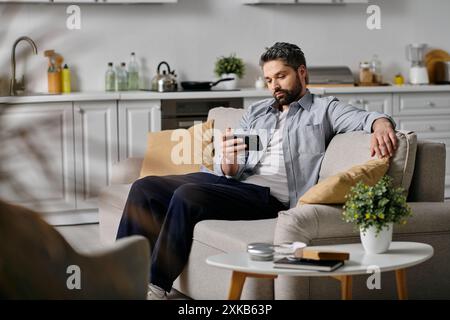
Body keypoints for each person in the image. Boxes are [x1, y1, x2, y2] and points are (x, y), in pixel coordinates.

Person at [116, 42, 397, 300]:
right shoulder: (258, 112)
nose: (275, 85)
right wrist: (228, 158)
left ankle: (156, 286)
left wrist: (382, 124)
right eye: (269, 79)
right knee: (145, 186)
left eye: (281, 76)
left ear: (302, 72)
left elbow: (365, 117)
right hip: (234, 183)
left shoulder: (323, 110)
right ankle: (121, 278)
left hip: (268, 198)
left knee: (188, 195)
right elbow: (232, 169)